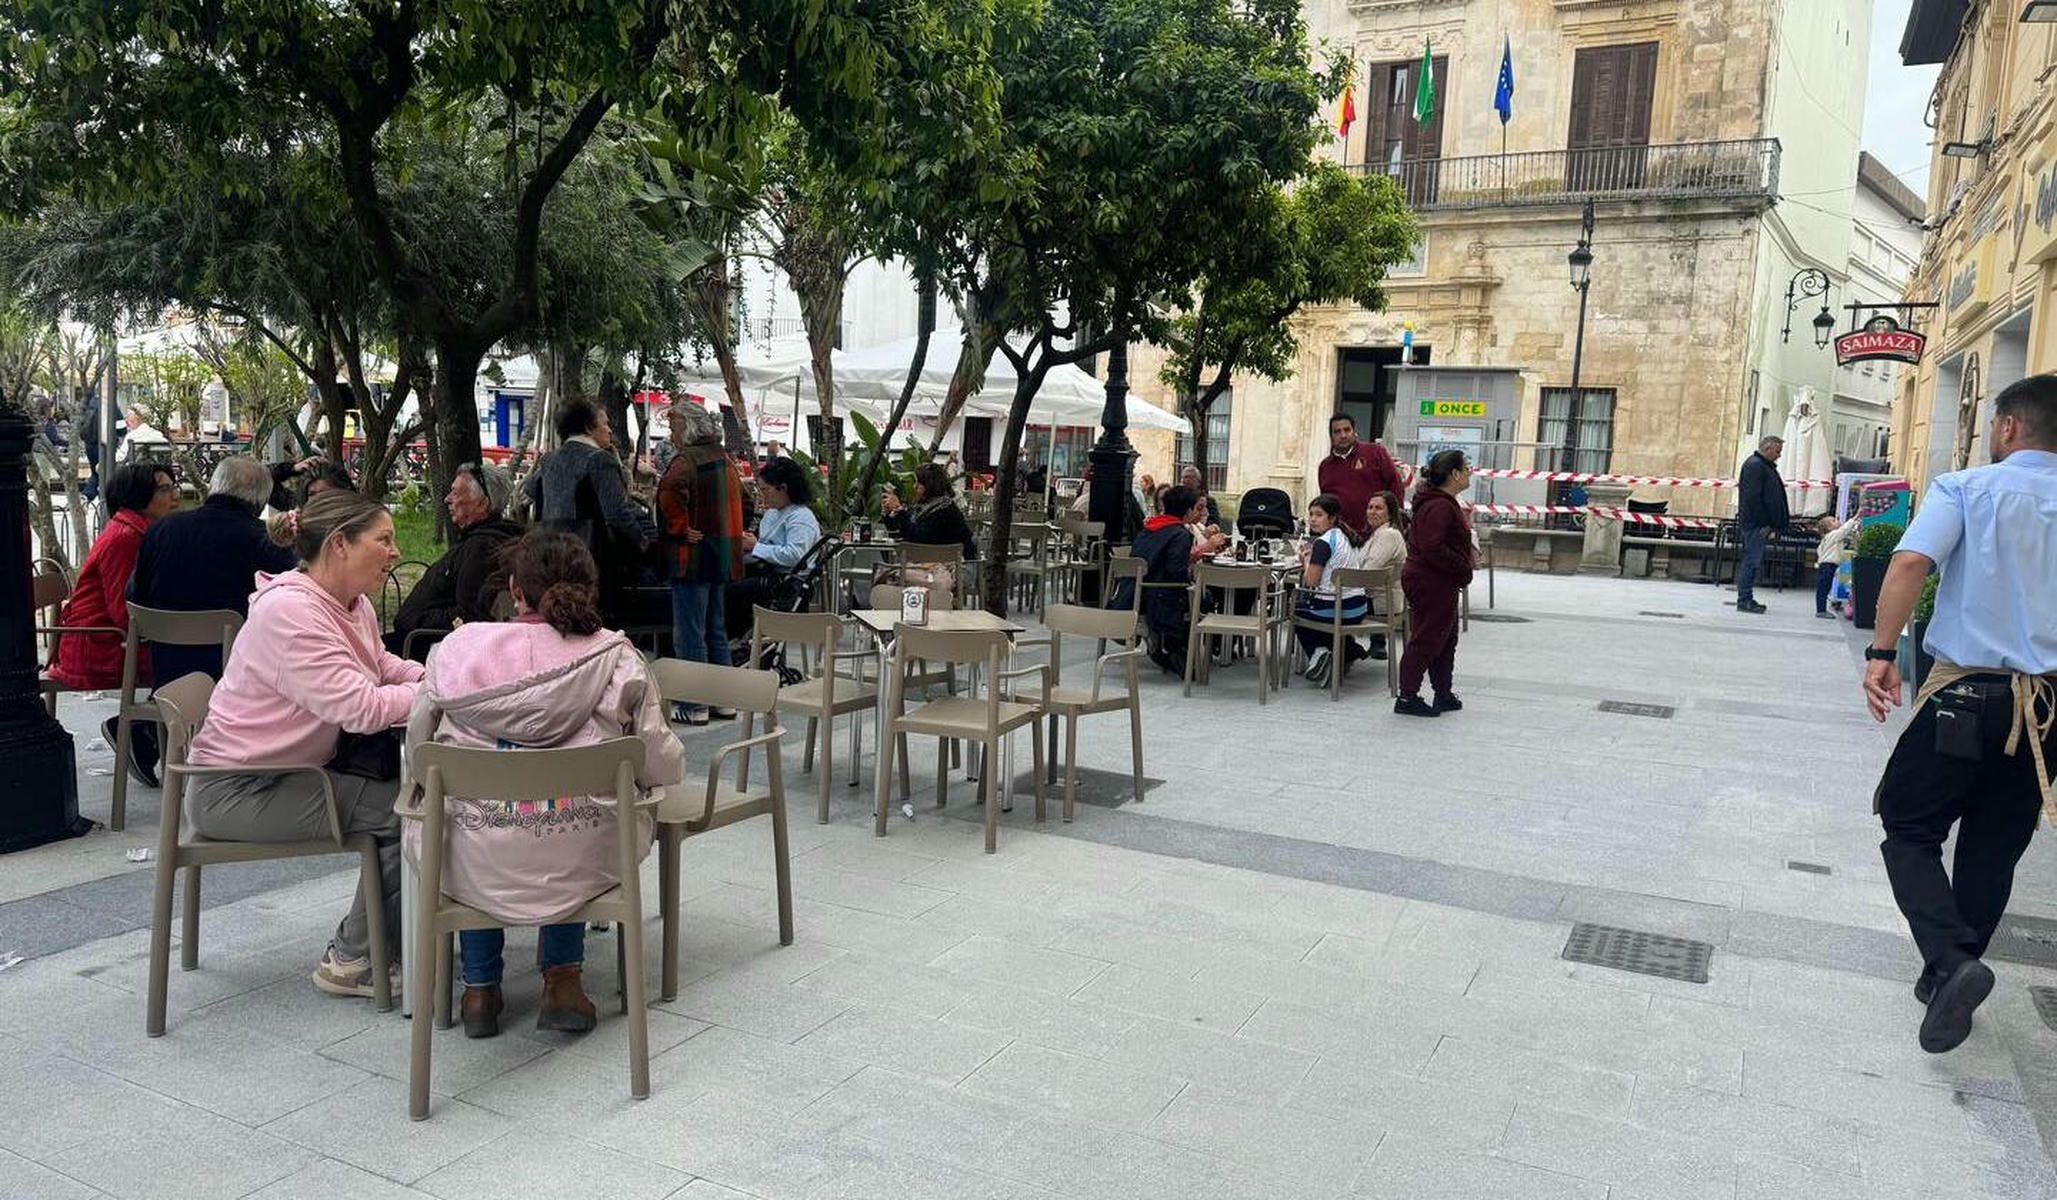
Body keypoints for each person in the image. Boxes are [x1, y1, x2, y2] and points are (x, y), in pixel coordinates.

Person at [402, 530, 684, 1038]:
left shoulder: (454, 653)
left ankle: (479, 990)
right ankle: (563, 981)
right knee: (574, 823)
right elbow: (659, 762)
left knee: (473, 827)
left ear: (514, 589)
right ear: (589, 588)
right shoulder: (617, 658)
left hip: (473, 854)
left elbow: (421, 754)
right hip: (584, 852)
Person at [1863, 374, 2057, 1055]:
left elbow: (1910, 563)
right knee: (1993, 846)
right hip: (2045, 711)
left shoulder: (1965, 488)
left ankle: (1950, 962)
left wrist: (1881, 651)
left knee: (1907, 824)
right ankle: (1947, 975)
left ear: (2007, 427)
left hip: (1965, 694)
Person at [186, 491, 425, 998]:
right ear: (340, 544)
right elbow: (362, 707)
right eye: (383, 539)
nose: (395, 551)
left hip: (291, 773)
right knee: (410, 812)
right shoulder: (291, 613)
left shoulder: (350, 603)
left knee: (415, 801)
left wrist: (433, 675)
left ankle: (387, 943)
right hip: (237, 790)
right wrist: (438, 692)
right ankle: (354, 958)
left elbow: (381, 666)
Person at [50, 463, 179, 785]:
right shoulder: (125, 538)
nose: (175, 496)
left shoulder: (135, 531)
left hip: (111, 636)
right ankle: (139, 731)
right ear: (140, 496)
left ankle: (143, 733)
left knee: (194, 657)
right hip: (100, 643)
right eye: (165, 489)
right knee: (196, 662)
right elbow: (125, 610)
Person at [131, 456, 299, 689]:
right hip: (243, 682)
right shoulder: (268, 542)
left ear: (214, 485)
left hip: (169, 676)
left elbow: (136, 597)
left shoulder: (161, 530)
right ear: (261, 501)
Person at [523, 398, 657, 621]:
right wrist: (642, 542)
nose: (610, 429)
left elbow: (529, 491)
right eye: (605, 423)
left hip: (551, 555)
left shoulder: (550, 459)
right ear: (588, 427)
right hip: (590, 557)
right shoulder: (599, 460)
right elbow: (617, 514)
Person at [656, 401, 745, 724]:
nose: (672, 434)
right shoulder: (725, 459)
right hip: (722, 555)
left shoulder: (685, 461)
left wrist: (680, 528)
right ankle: (725, 701)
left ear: (688, 427)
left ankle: (694, 706)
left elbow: (667, 494)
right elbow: (746, 502)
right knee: (716, 630)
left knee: (690, 633)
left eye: (674, 427)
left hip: (691, 557)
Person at [388, 462, 523, 659]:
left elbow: (469, 614)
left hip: (425, 647)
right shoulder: (480, 539)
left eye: (456, 493)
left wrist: (417, 618)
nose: (447, 499)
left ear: (483, 503)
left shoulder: (482, 546)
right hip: (416, 641)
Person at [1395, 450, 1474, 718]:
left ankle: (1443, 692)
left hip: (1440, 579)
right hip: (1431, 579)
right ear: (1454, 474)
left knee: (1446, 637)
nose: (1470, 472)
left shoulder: (1442, 502)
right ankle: (1407, 696)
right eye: (1466, 467)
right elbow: (1433, 547)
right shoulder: (1439, 506)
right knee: (1427, 637)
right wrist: (1461, 567)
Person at [726, 455, 823, 636]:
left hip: (783, 581)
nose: (763, 495)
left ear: (782, 488)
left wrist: (756, 547)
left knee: (728, 593)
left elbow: (795, 555)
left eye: (765, 490)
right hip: (764, 572)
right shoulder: (773, 513)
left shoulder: (801, 517)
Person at [1129, 485, 1215, 676]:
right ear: (1188, 511)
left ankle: (1171, 646)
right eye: (1196, 508)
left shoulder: (1148, 529)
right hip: (1159, 598)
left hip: (1135, 594)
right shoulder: (1180, 534)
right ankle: (1181, 649)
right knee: (1205, 597)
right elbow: (1176, 573)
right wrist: (1193, 576)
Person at [1294, 495, 1370, 687]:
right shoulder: (1349, 538)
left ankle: (1318, 654)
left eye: (1319, 515)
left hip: (1336, 608)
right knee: (1317, 610)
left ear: (1333, 518)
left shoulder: (1323, 543)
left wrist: (1306, 560)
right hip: (1358, 607)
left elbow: (1311, 581)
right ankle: (1349, 651)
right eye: (1311, 514)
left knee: (1296, 610)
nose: (1313, 519)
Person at [1318, 413, 1404, 538]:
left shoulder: (1375, 453)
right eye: (1337, 432)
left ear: (1354, 432)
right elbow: (1326, 504)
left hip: (1377, 533)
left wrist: (1395, 521)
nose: (1343, 435)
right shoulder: (1325, 467)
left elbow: (1395, 485)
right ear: (1331, 436)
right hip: (1342, 536)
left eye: (1347, 430)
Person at [1734, 434, 1789, 613]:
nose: (1779, 455)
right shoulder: (1755, 466)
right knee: (1751, 562)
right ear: (1767, 448)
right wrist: (1765, 523)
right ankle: (1744, 600)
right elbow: (1753, 499)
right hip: (1756, 525)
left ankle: (1746, 598)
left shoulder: (1763, 466)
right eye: (1777, 451)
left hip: (1759, 524)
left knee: (1752, 562)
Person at [881, 462, 979, 561]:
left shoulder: (944, 509)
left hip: (948, 566)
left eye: (919, 483)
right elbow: (900, 534)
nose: (914, 487)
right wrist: (889, 513)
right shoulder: (925, 507)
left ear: (930, 486)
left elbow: (917, 539)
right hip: (928, 565)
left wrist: (900, 510)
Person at [1359, 490, 1409, 660]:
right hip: (1378, 597)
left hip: (1379, 602)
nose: (1372, 511)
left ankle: (1344, 651)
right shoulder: (1379, 533)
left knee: (1322, 606)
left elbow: (1368, 572)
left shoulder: (1388, 535)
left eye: (1378, 508)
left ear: (1390, 513)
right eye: (1370, 507)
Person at [1812, 511, 1860, 620]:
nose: (1838, 521)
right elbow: (1844, 530)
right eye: (1834, 520)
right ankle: (1821, 611)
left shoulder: (1827, 538)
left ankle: (1821, 609)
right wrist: (1855, 517)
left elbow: (1820, 551)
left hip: (1825, 565)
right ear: (1829, 528)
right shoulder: (1833, 535)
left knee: (1823, 588)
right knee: (1824, 589)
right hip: (1828, 566)